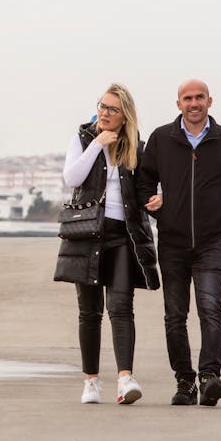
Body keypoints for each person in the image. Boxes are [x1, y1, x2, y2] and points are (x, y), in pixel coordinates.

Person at [138, 78, 221, 407]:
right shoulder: (162, 138)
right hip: (171, 242)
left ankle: (209, 376)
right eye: (187, 98)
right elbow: (143, 180)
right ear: (178, 104)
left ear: (210, 101)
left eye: (199, 97)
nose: (194, 103)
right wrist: (151, 200)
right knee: (175, 315)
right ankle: (184, 381)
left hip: (212, 242)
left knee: (210, 308)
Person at [54, 83, 159, 405]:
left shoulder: (136, 147)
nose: (104, 113)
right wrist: (97, 145)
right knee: (89, 313)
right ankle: (91, 381)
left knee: (121, 308)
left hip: (124, 235)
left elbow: (145, 187)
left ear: (124, 114)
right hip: (87, 233)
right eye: (102, 106)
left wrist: (156, 199)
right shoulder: (83, 138)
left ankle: (126, 378)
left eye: (112, 109)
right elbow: (72, 178)